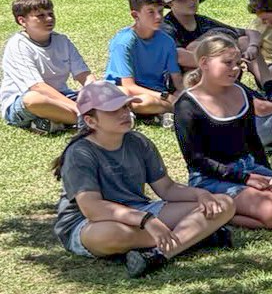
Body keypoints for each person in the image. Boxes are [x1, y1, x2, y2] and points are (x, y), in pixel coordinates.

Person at [52, 80, 235, 276]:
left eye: (125, 106)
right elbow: (93, 209)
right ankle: (196, 237)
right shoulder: (80, 153)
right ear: (90, 121)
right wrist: (145, 219)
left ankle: (159, 254)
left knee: (223, 203)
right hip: (89, 223)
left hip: (139, 211)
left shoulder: (139, 142)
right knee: (111, 234)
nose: (124, 113)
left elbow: (166, 188)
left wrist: (201, 194)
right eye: (113, 110)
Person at [172, 36, 272, 230]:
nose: (235, 69)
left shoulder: (240, 92)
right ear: (204, 63)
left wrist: (266, 174)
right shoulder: (187, 105)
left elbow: (252, 140)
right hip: (211, 176)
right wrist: (245, 179)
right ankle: (221, 214)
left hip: (248, 167)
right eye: (227, 63)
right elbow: (196, 159)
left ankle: (248, 204)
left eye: (238, 63)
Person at [3, 0, 89, 130]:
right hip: (23, 103)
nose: (49, 19)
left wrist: (100, 94)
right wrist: (79, 109)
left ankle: (58, 121)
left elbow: (84, 75)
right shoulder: (18, 45)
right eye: (40, 16)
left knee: (110, 92)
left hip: (62, 97)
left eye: (50, 14)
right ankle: (91, 120)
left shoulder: (62, 41)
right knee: (34, 99)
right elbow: (37, 87)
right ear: (22, 21)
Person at [159, 0, 260, 74]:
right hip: (183, 78)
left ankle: (268, 85)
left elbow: (251, 32)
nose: (191, 2)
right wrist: (223, 63)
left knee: (244, 40)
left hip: (211, 71)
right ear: (170, 3)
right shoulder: (166, 26)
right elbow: (180, 57)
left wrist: (253, 47)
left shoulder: (204, 22)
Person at [103, 0, 181, 118]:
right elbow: (129, 85)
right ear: (135, 15)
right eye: (151, 12)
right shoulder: (123, 42)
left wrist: (183, 94)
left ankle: (162, 110)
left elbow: (177, 80)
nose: (158, 16)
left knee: (149, 101)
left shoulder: (167, 41)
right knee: (142, 102)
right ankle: (172, 109)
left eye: (160, 11)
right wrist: (168, 97)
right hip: (125, 92)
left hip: (155, 92)